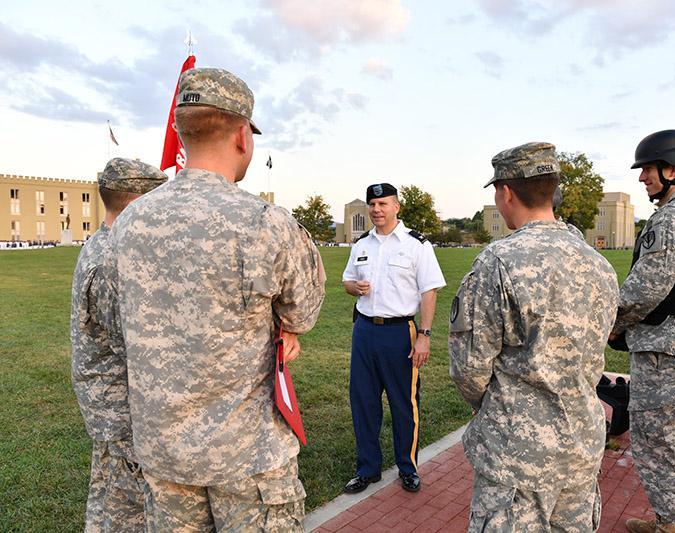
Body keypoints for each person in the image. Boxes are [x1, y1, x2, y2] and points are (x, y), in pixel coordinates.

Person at [105, 67, 326, 530]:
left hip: (164, 455)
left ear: (182, 132)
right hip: (248, 457)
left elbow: (115, 321)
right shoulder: (265, 223)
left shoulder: (128, 224)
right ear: (242, 136)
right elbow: (303, 310)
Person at [450, 142, 619, 531]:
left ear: (505, 192)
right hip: (579, 447)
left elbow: (469, 368)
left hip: (517, 459)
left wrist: (488, 405)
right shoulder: (599, 264)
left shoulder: (497, 262)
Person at [610, 130, 675, 533]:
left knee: (657, 440)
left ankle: (669, 527)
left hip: (664, 347)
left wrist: (611, 324)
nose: (642, 178)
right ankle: (667, 521)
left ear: (672, 168)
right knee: (664, 438)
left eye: (647, 169)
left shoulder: (671, 217)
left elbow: (645, 287)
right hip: (673, 344)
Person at [70, 157, 167, 532]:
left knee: (108, 499)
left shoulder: (105, 246)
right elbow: (136, 348)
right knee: (129, 513)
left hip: (111, 408)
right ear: (136, 206)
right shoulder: (112, 261)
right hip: (121, 410)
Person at [341, 182, 446, 494]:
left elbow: (429, 292)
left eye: (383, 204)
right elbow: (347, 281)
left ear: (397, 207)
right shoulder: (361, 245)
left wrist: (424, 336)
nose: (376, 210)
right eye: (373, 205)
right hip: (364, 331)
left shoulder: (416, 245)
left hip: (400, 332)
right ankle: (368, 468)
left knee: (403, 403)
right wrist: (353, 288)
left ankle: (407, 467)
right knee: (363, 401)